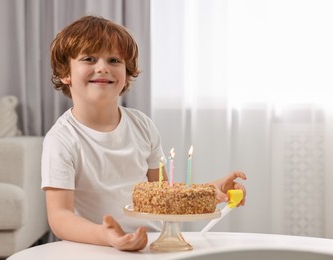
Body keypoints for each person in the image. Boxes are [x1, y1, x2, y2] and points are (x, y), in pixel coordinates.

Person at [41, 15, 247, 252]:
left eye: (114, 60)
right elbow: (60, 217)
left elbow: (164, 196)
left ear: (127, 74)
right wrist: (107, 236)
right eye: (89, 58)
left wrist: (211, 191)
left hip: (152, 246)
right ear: (65, 72)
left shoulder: (142, 126)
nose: (103, 67)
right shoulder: (62, 139)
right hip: (96, 248)